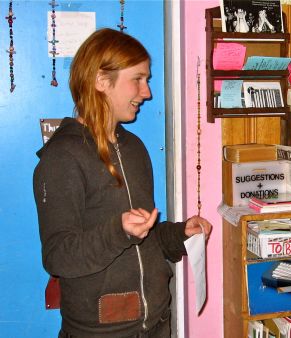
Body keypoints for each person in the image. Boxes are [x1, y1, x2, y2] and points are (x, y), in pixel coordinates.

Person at [33, 28, 213, 338]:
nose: (147, 93)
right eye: (138, 79)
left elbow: (145, 237)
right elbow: (58, 257)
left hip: (156, 324)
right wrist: (119, 231)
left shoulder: (134, 148)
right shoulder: (63, 156)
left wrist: (179, 234)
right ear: (102, 81)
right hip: (102, 332)